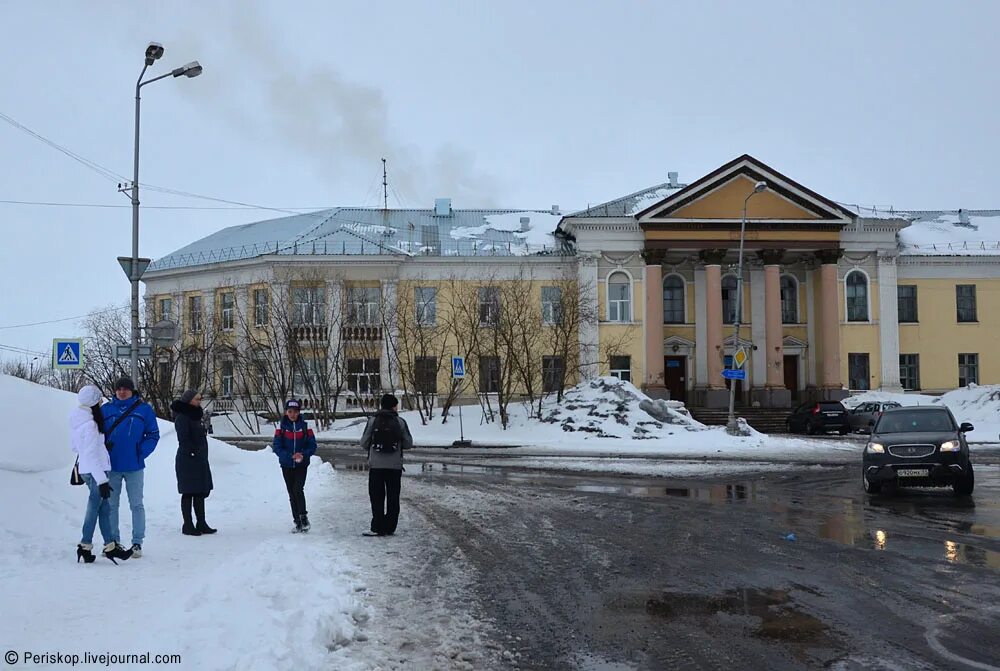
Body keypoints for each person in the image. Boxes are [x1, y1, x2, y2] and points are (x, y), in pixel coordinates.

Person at [69, 385, 133, 564]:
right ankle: (85, 544)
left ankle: (110, 546)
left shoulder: (77, 419)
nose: (100, 404)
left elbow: (76, 447)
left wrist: (101, 447)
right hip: (96, 471)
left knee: (104, 509)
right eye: (99, 401)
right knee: (94, 508)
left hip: (87, 470)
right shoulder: (90, 424)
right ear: (94, 403)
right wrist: (102, 480)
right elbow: (90, 454)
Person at [102, 376, 160, 558]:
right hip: (111, 466)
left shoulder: (143, 410)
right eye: (119, 388)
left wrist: (140, 452)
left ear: (132, 390)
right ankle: (112, 542)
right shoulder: (106, 409)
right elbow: (95, 434)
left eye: (126, 388)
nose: (122, 391)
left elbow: (152, 434)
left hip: (134, 466)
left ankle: (137, 542)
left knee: (136, 504)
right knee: (111, 505)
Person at [360, 394, 413, 537]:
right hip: (395, 467)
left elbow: (363, 443)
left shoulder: (373, 421)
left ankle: (377, 527)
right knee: (393, 497)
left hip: (376, 466)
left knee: (376, 497)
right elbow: (408, 443)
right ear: (394, 406)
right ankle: (390, 527)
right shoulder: (400, 422)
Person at [172, 390, 215, 536]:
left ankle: (201, 523)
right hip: (188, 460)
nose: (199, 401)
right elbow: (183, 438)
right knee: (188, 492)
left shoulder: (196, 415)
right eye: (197, 399)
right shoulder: (183, 417)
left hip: (199, 459)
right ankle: (188, 524)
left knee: (200, 491)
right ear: (189, 400)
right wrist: (193, 452)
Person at [272, 399, 317, 533]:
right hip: (286, 465)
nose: (292, 414)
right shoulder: (280, 428)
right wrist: (289, 456)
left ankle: (303, 517)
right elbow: (277, 447)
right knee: (292, 493)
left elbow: (312, 445)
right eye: (290, 411)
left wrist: (303, 454)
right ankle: (297, 521)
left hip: (301, 464)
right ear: (286, 412)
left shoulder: (305, 426)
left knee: (298, 489)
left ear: (299, 412)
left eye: (295, 412)